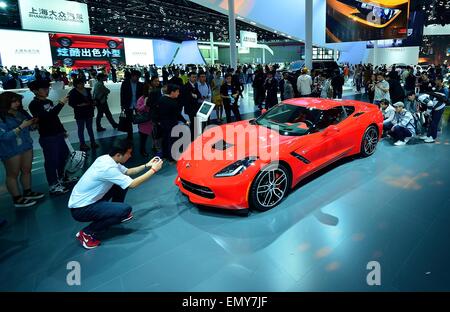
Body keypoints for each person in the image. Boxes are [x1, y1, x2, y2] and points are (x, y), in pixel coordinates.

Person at [68, 139, 164, 249]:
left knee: (121, 183)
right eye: (129, 153)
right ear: (119, 155)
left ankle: (115, 212)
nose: (130, 156)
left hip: (88, 201)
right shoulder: (108, 168)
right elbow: (132, 184)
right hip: (81, 209)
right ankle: (86, 233)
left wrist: (147, 165)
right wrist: (153, 170)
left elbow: (128, 172)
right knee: (125, 209)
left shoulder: (106, 159)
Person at [0, 92, 44, 207]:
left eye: (18, 101)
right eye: (14, 101)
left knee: (26, 170)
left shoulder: (20, 113)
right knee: (12, 174)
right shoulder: (1, 117)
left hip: (25, 145)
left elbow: (28, 126)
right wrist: (22, 126)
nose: (17, 103)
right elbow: (4, 137)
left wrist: (33, 124)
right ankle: (17, 198)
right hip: (10, 149)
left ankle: (27, 191)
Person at [28, 80, 70, 195]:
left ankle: (62, 177)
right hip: (48, 136)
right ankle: (53, 184)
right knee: (52, 161)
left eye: (47, 88)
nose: (47, 90)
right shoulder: (34, 104)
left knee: (64, 156)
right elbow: (47, 117)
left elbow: (54, 118)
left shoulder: (48, 101)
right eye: (43, 89)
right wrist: (61, 104)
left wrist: (62, 129)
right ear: (35, 91)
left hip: (58, 134)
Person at [157, 84, 189, 162]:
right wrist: (185, 121)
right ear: (172, 92)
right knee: (172, 141)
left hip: (163, 124)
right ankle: (172, 158)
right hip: (171, 124)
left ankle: (165, 155)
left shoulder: (161, 99)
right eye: (177, 92)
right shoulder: (173, 102)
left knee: (165, 140)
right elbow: (177, 114)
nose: (178, 93)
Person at [68, 78, 98, 151]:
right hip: (80, 113)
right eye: (80, 83)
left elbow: (90, 99)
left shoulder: (87, 90)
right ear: (76, 84)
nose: (82, 84)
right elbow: (70, 103)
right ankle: (82, 144)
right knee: (81, 129)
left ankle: (93, 142)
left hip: (88, 111)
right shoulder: (72, 92)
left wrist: (93, 103)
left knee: (90, 128)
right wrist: (79, 105)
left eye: (82, 83)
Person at [120, 70, 144, 140]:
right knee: (128, 121)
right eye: (137, 77)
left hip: (138, 105)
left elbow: (142, 95)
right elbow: (122, 94)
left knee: (140, 120)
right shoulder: (125, 83)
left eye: (139, 77)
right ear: (132, 76)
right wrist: (122, 105)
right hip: (128, 105)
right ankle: (130, 135)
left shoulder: (140, 84)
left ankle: (141, 133)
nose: (138, 79)